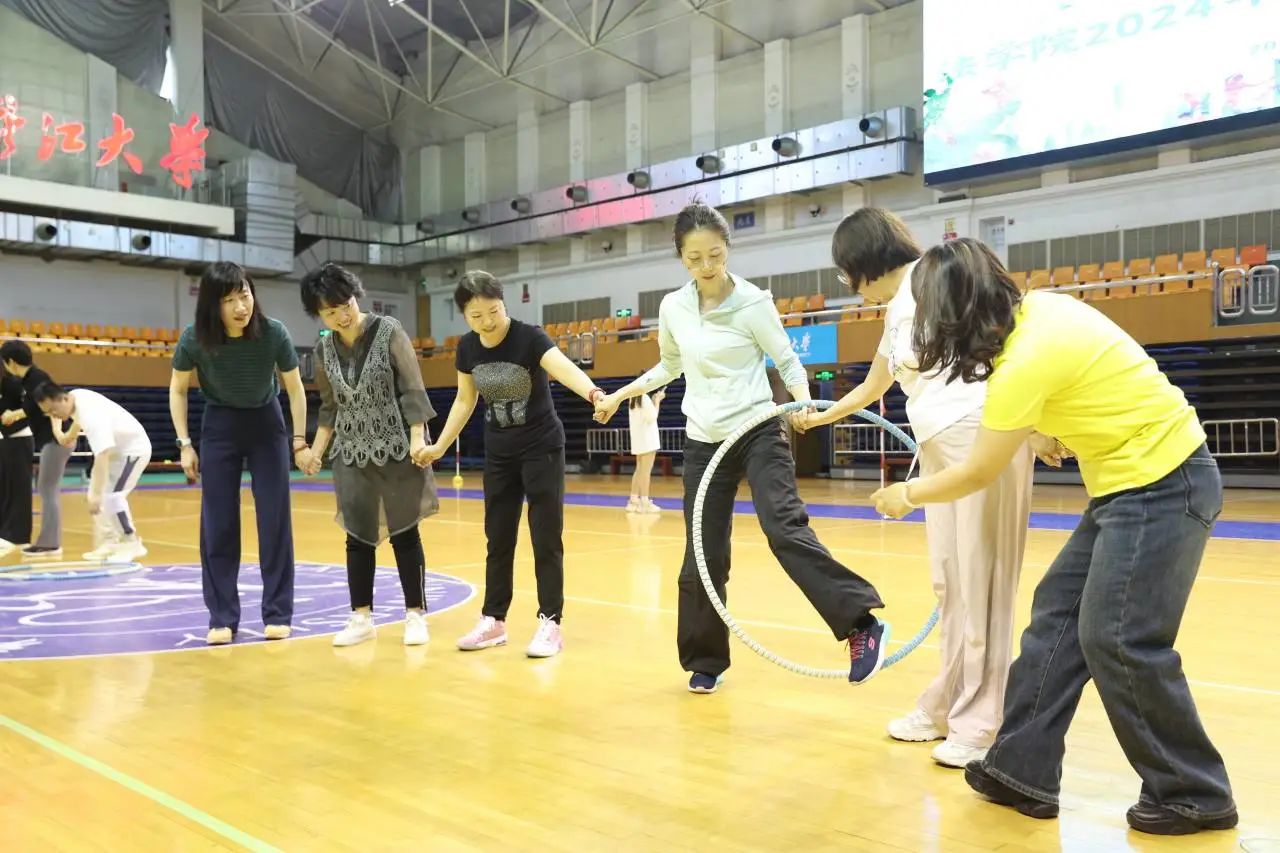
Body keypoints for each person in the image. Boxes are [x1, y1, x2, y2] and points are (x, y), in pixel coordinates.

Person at [871, 237, 1236, 836]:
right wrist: (1040, 427)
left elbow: (978, 470)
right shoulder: (1040, 314)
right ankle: (1021, 768)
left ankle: (1193, 792)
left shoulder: (1024, 361)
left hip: (1165, 482)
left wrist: (906, 495)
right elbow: (1068, 387)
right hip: (1128, 485)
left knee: (1119, 639)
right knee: (1056, 620)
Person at [593, 201, 890, 693]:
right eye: (695, 258)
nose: (707, 266)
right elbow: (669, 365)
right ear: (681, 258)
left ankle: (861, 624)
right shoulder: (673, 307)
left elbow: (787, 362)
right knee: (702, 555)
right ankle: (706, 659)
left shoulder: (753, 303)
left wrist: (801, 404)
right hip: (702, 440)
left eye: (715, 254)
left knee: (783, 528)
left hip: (757, 430)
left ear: (727, 248)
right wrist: (621, 395)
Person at [793, 208, 1036, 768]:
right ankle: (948, 703)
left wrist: (1038, 425)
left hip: (981, 435)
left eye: (847, 273)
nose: (851, 286)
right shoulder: (897, 307)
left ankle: (981, 722)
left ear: (866, 262)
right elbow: (874, 385)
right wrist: (822, 416)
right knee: (952, 583)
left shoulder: (943, 275)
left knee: (984, 583)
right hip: (937, 448)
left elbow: (1008, 346)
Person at [423, 271, 605, 659]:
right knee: (498, 538)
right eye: (476, 316)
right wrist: (439, 446)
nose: (488, 322)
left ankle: (551, 622)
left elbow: (562, 367)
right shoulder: (467, 348)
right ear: (465, 316)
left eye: (494, 311)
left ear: (504, 304)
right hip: (500, 454)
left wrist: (593, 393)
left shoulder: (529, 337)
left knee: (545, 537)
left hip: (542, 448)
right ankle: (494, 620)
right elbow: (464, 400)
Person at [169, 261, 311, 645]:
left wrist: (299, 440)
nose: (240, 307)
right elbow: (178, 389)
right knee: (218, 522)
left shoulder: (274, 333)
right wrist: (185, 444)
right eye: (229, 300)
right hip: (220, 425)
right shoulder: (194, 338)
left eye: (244, 295)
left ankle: (278, 613)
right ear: (212, 305)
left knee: (274, 518)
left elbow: (295, 388)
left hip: (266, 423)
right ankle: (221, 617)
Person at [299, 263, 439, 647]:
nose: (341, 316)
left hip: (396, 448)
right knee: (357, 537)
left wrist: (417, 439)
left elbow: (413, 389)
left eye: (345, 305)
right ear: (319, 315)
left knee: (405, 533)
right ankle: (361, 618)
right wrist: (315, 452)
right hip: (351, 454)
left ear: (355, 297)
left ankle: (415, 615)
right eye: (330, 312)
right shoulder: (324, 348)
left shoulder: (389, 331)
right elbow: (329, 407)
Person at [32, 384, 151, 561]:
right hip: (115, 451)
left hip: (132, 451)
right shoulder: (75, 396)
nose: (52, 415)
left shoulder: (92, 416)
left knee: (111, 497)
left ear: (63, 399)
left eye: (53, 410)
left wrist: (96, 494)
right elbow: (77, 419)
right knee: (97, 497)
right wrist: (69, 434)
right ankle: (110, 542)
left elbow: (102, 456)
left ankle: (131, 543)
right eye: (47, 413)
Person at [1, 340, 76, 560]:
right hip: (50, 441)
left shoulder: (36, 378)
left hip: (56, 441)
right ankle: (48, 542)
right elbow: (35, 406)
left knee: (47, 490)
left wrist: (16, 415)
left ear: (11, 362)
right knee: (46, 489)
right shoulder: (28, 380)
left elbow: (55, 404)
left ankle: (50, 544)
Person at [0, 369, 32, 558]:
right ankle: (5, 533)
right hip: (5, 440)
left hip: (19, 438)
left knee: (18, 490)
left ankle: (19, 536)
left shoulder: (13, 383)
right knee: (5, 488)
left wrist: (15, 414)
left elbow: (32, 406)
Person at [625, 385, 665, 513]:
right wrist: (657, 401)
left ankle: (633, 501)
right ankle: (644, 502)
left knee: (639, 470)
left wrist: (652, 401)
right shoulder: (644, 398)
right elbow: (652, 417)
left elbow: (645, 415)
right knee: (645, 472)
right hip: (648, 440)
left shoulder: (633, 398)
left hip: (639, 440)